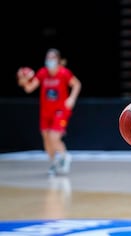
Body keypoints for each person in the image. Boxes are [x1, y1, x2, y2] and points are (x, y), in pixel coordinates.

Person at [17, 48, 81, 176]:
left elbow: (77, 84)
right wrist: (22, 80)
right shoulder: (42, 73)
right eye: (48, 58)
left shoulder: (64, 73)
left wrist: (72, 98)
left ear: (58, 60)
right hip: (45, 112)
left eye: (52, 58)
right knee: (46, 139)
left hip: (60, 111)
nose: (49, 60)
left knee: (54, 137)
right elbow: (29, 88)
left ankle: (64, 156)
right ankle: (54, 163)